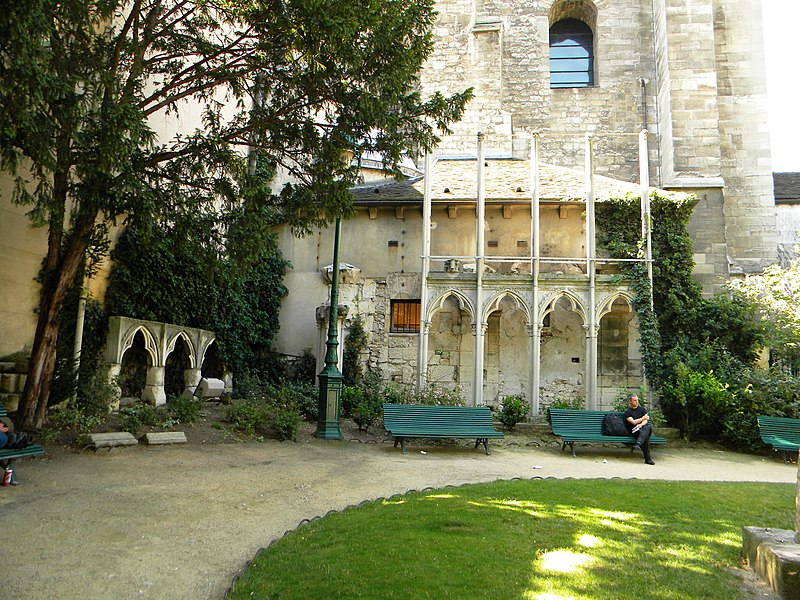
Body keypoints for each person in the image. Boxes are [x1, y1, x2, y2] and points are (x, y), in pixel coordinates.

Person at [623, 394, 655, 465]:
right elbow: (633, 422)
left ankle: (638, 443)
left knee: (647, 428)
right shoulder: (627, 412)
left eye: (637, 400)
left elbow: (646, 421)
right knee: (645, 436)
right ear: (630, 401)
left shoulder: (642, 409)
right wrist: (643, 418)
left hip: (643, 428)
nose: (636, 402)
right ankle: (647, 459)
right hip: (634, 431)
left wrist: (641, 424)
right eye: (634, 400)